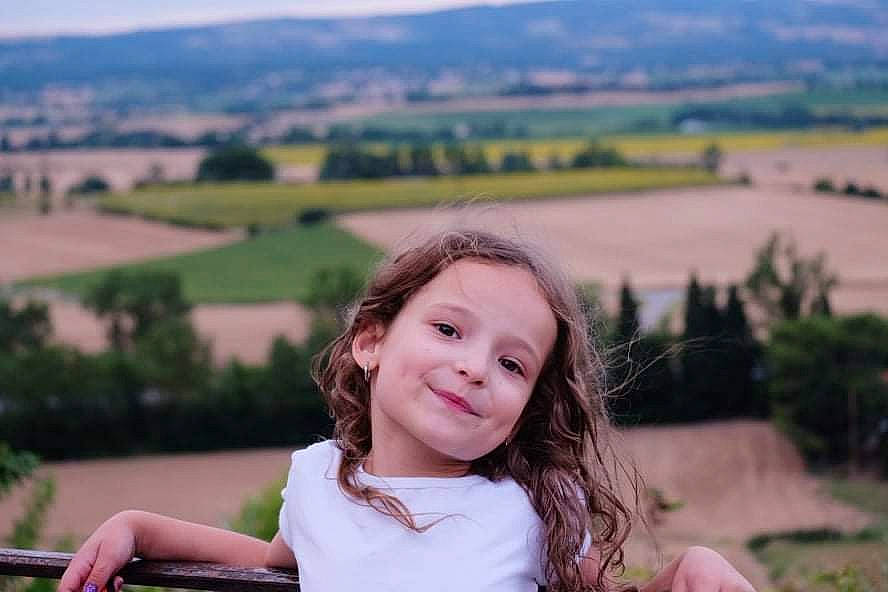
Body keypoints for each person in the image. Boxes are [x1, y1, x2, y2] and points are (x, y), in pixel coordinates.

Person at [58, 229, 755, 592]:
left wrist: (687, 573)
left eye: (512, 364)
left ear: (528, 403)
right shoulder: (316, 481)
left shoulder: (535, 506)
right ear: (371, 342)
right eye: (449, 330)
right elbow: (273, 566)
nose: (474, 367)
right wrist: (140, 526)